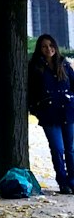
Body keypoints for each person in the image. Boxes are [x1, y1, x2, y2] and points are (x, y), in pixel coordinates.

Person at [27, 33, 74, 194]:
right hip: (49, 114)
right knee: (57, 149)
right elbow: (31, 92)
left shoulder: (64, 65)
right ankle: (62, 182)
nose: (49, 49)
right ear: (40, 49)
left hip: (68, 112)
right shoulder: (35, 67)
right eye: (44, 46)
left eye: (51, 45)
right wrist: (37, 110)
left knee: (71, 149)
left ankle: (72, 181)